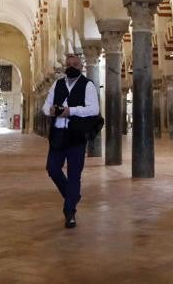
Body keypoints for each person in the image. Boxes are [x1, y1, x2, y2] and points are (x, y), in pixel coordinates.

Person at [43, 53, 100, 229]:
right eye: (69, 64)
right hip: (58, 134)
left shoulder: (88, 85)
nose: (71, 66)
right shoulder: (57, 84)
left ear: (81, 66)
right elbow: (45, 107)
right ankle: (72, 195)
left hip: (76, 135)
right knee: (52, 168)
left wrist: (71, 111)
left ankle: (70, 212)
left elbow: (94, 109)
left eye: (75, 64)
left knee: (75, 174)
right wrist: (51, 110)